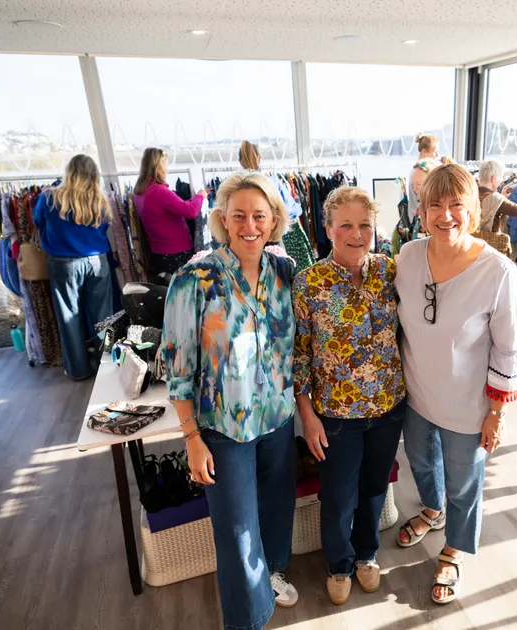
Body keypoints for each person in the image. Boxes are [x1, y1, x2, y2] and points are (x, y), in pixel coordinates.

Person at [162, 170, 299, 630]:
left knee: (278, 507)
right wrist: (191, 439)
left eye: (259, 216)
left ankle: (273, 574)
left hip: (278, 418)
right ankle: (247, 619)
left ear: (274, 219)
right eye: (238, 215)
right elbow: (177, 369)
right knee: (238, 531)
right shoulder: (193, 279)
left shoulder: (283, 272)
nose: (249, 226)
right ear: (222, 219)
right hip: (225, 428)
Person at [394, 164, 517, 605]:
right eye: (435, 205)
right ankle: (432, 510)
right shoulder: (407, 257)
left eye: (456, 205)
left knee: (465, 481)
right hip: (415, 395)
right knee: (420, 462)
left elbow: (508, 349)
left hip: (468, 404)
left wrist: (497, 413)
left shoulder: (499, 271)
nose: (445, 215)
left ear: (474, 209)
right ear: (422, 210)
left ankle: (454, 547)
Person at [292, 186, 405, 605]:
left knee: (375, 488)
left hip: (389, 407)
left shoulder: (390, 271)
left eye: (365, 225)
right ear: (328, 229)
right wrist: (307, 414)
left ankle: (366, 555)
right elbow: (299, 354)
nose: (356, 234)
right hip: (336, 414)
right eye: (346, 226)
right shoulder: (308, 283)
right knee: (339, 495)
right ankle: (340, 564)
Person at [33, 154, 116, 380]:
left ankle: (79, 370)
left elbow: (38, 221)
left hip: (65, 263)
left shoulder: (49, 197)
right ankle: (108, 366)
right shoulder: (99, 199)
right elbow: (104, 228)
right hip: (97, 261)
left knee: (69, 317)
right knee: (105, 317)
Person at [134, 147, 207, 278]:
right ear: (159, 167)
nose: (167, 169)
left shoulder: (140, 192)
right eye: (165, 164)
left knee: (170, 289)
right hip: (176, 252)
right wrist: (201, 195)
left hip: (159, 252)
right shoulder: (159, 192)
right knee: (183, 292)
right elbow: (191, 210)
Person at [477, 159, 517, 239]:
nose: (502, 181)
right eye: (501, 177)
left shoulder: (472, 193)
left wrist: (501, 196)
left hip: (471, 244)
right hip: (489, 245)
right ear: (493, 178)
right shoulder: (496, 199)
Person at [407, 133, 446, 221]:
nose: (437, 155)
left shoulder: (415, 170)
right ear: (424, 152)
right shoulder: (420, 172)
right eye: (435, 151)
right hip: (420, 219)